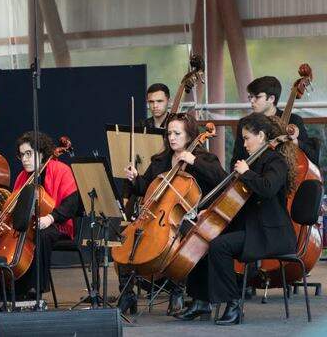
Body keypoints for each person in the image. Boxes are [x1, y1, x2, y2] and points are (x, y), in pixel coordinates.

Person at [175, 113, 297, 325]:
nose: (244, 143)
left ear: (261, 136)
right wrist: (210, 212)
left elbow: (267, 189)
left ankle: (233, 305)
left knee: (219, 246)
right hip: (253, 227)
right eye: (243, 138)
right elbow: (238, 202)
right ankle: (201, 300)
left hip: (271, 233)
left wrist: (247, 173)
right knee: (204, 236)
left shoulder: (276, 161)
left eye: (247, 138)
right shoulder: (255, 160)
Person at [122, 113, 227, 315]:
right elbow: (147, 188)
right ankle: (127, 294)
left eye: (177, 133)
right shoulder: (161, 160)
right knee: (127, 237)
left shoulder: (204, 158)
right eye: (169, 133)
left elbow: (222, 181)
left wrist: (194, 161)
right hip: (161, 217)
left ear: (189, 136)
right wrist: (135, 179)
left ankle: (178, 291)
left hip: (192, 216)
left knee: (185, 239)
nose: (172, 137)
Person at [2, 131, 82, 299]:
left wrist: (50, 218)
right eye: (22, 155)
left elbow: (72, 204)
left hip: (57, 225)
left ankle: (35, 289)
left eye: (29, 154)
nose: (24, 159)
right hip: (28, 226)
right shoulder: (23, 177)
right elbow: (13, 208)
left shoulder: (61, 170)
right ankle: (8, 285)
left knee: (41, 234)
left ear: (42, 152)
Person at [231, 76, 318, 166]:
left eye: (257, 97)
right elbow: (237, 158)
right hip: (254, 174)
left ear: (271, 99)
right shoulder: (245, 123)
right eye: (251, 97)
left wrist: (295, 142)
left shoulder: (294, 121)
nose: (252, 101)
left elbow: (312, 156)